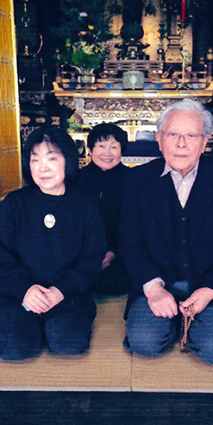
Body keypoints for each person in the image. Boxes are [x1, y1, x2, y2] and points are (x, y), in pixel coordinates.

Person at [121, 99, 213, 365]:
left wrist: (209, 291)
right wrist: (154, 289)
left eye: (191, 136)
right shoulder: (137, 179)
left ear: (204, 141)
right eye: (173, 135)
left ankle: (193, 323)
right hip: (158, 283)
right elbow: (130, 242)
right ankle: (172, 320)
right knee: (144, 342)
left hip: (209, 285)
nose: (182, 144)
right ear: (159, 139)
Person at [0, 127, 106, 360]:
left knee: (68, 343)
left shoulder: (85, 205)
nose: (43, 167)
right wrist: (25, 290)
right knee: (13, 349)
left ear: (68, 161)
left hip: (67, 293)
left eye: (51, 158)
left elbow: (92, 259)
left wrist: (60, 291)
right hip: (21, 294)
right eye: (35, 159)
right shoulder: (14, 203)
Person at [74, 122, 130, 295]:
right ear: (90, 150)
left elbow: (134, 225)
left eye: (113, 147)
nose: (107, 153)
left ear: (122, 150)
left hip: (121, 252)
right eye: (101, 146)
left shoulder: (133, 180)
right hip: (83, 252)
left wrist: (113, 252)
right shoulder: (76, 180)